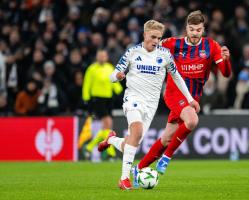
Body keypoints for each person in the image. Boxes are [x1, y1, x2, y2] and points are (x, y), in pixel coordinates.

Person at [98, 19, 200, 190]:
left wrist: (190, 99)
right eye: (153, 37)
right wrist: (117, 77)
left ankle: (112, 139)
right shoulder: (132, 52)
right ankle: (124, 179)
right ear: (144, 34)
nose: (156, 41)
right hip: (133, 99)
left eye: (159, 38)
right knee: (136, 131)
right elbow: (112, 75)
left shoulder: (165, 55)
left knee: (132, 142)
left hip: (151, 104)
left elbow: (177, 77)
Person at [134, 10, 232, 185]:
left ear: (203, 29)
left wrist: (227, 60)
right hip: (174, 93)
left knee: (166, 139)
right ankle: (166, 158)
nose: (195, 33)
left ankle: (138, 169)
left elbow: (225, 73)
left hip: (193, 98)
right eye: (192, 29)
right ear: (187, 28)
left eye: (199, 30)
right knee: (192, 120)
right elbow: (150, 46)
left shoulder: (212, 46)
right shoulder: (173, 44)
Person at [82, 50, 123, 159]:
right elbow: (87, 83)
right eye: (100, 55)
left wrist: (120, 91)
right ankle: (111, 153)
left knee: (107, 127)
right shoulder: (92, 68)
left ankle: (90, 147)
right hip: (97, 99)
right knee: (108, 123)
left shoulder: (109, 67)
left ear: (106, 57)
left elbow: (113, 81)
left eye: (104, 56)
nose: (102, 57)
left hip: (109, 98)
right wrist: (86, 98)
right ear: (97, 57)